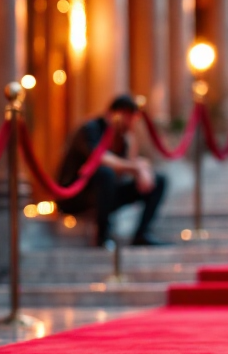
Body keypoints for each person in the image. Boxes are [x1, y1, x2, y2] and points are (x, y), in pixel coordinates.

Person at [55, 94, 168, 247]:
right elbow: (100, 159)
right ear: (113, 114)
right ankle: (102, 236)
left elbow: (127, 165)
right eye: (127, 117)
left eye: (132, 119)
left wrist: (141, 167)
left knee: (159, 180)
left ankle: (141, 234)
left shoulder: (123, 137)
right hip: (75, 195)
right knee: (105, 173)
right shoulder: (90, 129)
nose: (129, 123)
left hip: (105, 194)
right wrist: (137, 168)